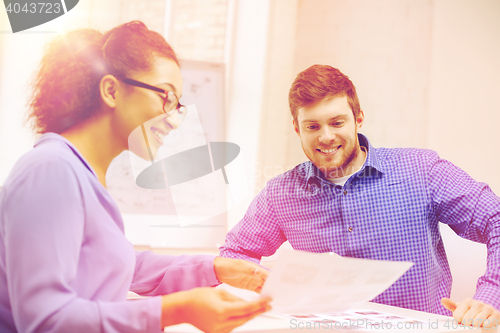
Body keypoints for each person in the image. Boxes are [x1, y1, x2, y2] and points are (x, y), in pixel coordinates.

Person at [0, 21, 271, 333]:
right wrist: (176, 309)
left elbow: (119, 264)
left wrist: (216, 268)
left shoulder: (79, 173)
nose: (174, 119)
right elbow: (46, 320)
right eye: (166, 96)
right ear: (111, 90)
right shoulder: (50, 171)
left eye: (178, 104)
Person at [219, 64, 500, 328]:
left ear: (358, 119)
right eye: (312, 126)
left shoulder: (421, 170)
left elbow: (495, 218)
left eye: (337, 122)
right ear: (297, 128)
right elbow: (235, 254)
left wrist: (491, 295)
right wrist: (279, 287)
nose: (326, 136)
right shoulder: (280, 194)